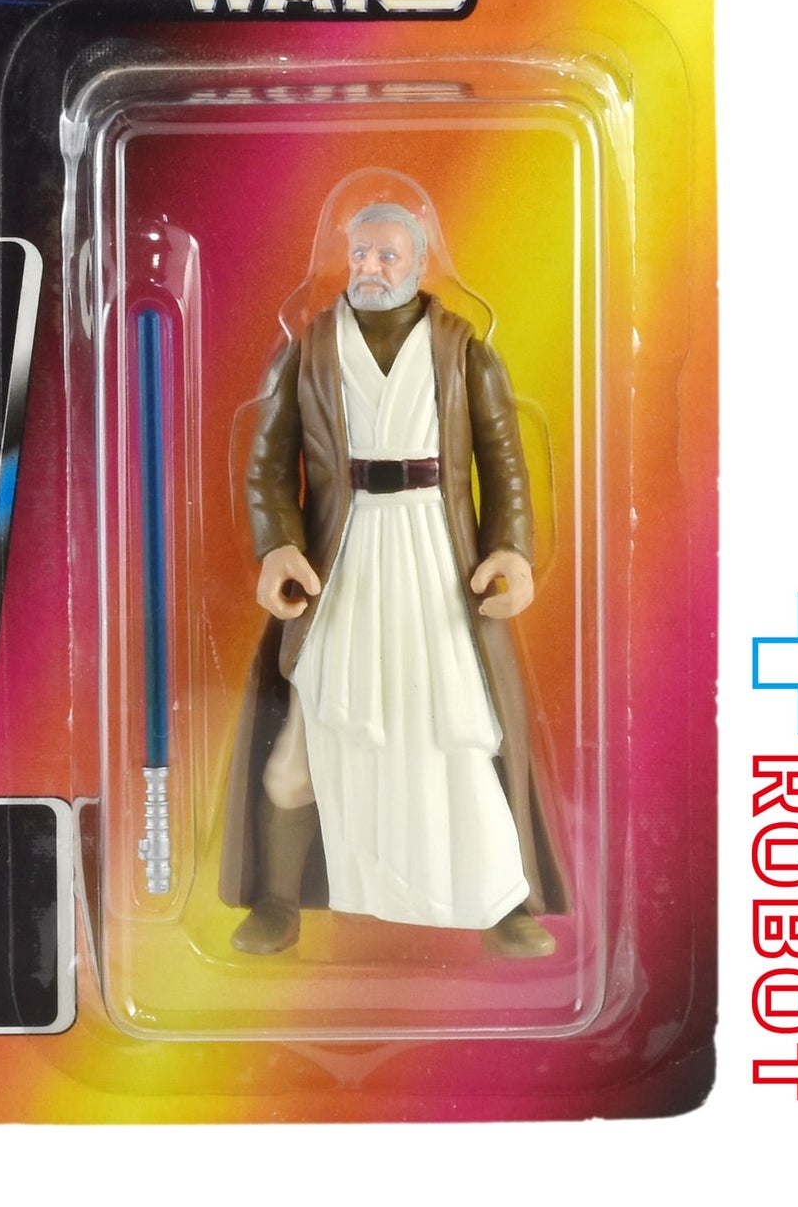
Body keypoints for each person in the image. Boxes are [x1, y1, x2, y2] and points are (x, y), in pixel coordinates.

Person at [220, 201, 567, 956]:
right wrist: (279, 546)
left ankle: (499, 901)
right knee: (308, 738)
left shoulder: (463, 353)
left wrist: (510, 551)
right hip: (342, 567)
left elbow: (505, 463)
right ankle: (277, 899)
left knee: (459, 734)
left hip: (436, 566)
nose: (371, 268)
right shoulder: (311, 352)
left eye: (387, 255)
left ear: (418, 261)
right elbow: (267, 466)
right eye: (361, 254)